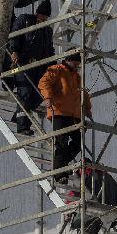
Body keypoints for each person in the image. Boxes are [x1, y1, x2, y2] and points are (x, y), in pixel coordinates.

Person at [39, 52, 91, 183]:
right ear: (68, 60)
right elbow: (44, 83)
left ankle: (59, 166)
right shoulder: (57, 70)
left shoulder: (76, 76)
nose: (77, 66)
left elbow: (82, 93)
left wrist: (87, 108)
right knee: (61, 143)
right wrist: (48, 97)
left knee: (78, 143)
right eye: (75, 63)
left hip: (74, 115)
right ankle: (59, 173)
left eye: (78, 64)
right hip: (60, 112)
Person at [8, 0, 55, 135]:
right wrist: (14, 51)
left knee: (40, 94)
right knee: (25, 92)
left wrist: (52, 67)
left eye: (45, 17)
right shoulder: (25, 20)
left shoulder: (47, 30)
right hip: (24, 63)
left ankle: (19, 116)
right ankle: (23, 127)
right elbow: (15, 35)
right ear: (37, 13)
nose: (43, 19)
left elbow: (49, 49)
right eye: (42, 16)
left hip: (39, 67)